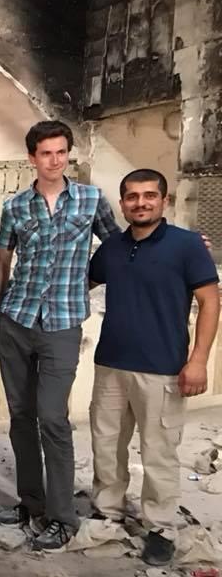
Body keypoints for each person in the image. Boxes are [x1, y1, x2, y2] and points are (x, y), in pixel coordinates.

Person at [0, 120, 122, 549]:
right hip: (16, 321)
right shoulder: (15, 207)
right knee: (20, 418)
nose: (54, 160)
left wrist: (83, 284)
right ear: (32, 158)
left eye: (61, 152)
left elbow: (118, 248)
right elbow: (4, 262)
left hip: (63, 325)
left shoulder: (89, 200)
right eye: (45, 153)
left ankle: (63, 517)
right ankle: (32, 502)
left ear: (69, 154)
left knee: (53, 419)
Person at [88, 169, 219, 566]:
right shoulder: (111, 248)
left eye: (149, 196)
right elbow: (81, 284)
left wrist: (198, 361)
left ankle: (160, 527)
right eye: (131, 197)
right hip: (110, 364)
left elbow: (210, 303)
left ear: (164, 200)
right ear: (123, 202)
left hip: (163, 368)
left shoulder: (187, 246)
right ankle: (107, 512)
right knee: (106, 446)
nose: (140, 203)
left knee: (159, 451)